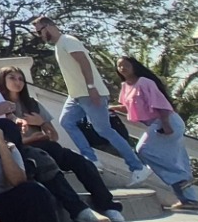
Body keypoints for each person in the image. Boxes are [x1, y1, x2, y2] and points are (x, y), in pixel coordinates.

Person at [33, 15, 153, 184]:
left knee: (104, 130)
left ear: (49, 27)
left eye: (40, 31)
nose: (40, 36)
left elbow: (84, 63)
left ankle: (138, 167)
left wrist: (91, 87)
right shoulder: (60, 45)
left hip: (89, 93)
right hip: (76, 96)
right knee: (67, 122)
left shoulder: (68, 40)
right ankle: (91, 159)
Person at [0, 65, 122, 222]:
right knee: (48, 166)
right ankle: (79, 211)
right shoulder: (0, 106)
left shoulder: (32, 104)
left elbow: (53, 136)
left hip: (47, 145)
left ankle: (108, 206)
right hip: (24, 151)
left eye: (21, 78)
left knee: (82, 163)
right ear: (3, 81)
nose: (18, 82)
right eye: (12, 78)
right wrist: (29, 139)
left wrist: (41, 122)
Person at [116, 56, 198, 208]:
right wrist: (109, 108)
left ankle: (181, 179)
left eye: (126, 65)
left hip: (167, 121)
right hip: (157, 124)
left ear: (134, 66)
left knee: (143, 149)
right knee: (176, 160)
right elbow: (128, 107)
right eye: (119, 66)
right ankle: (189, 200)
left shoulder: (145, 82)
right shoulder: (125, 87)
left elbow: (162, 104)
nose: (123, 68)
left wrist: (166, 125)